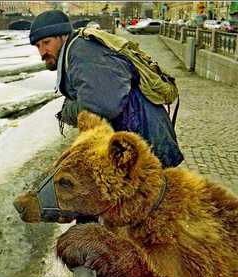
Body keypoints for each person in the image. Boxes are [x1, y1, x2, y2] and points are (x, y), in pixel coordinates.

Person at [29, 10, 183, 168]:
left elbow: (98, 108)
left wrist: (66, 111)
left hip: (144, 141)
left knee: (152, 190)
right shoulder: (76, 49)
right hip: (138, 136)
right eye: (38, 46)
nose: (42, 52)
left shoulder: (82, 52)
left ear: (62, 36)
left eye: (46, 43)